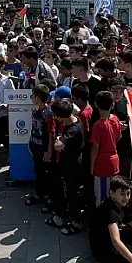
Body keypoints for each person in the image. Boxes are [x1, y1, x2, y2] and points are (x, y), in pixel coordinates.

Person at [46, 97, 85, 235]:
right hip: (67, 164)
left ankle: (76, 223)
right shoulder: (75, 119)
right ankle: (64, 216)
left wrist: (58, 139)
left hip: (72, 166)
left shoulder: (72, 130)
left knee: (72, 194)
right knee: (65, 191)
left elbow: (58, 145)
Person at [89, 91, 122, 205]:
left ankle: (103, 220)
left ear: (96, 104)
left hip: (102, 163)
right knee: (114, 194)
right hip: (114, 160)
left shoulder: (98, 125)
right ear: (112, 105)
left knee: (102, 197)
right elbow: (119, 136)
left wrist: (92, 166)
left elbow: (95, 148)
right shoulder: (115, 119)